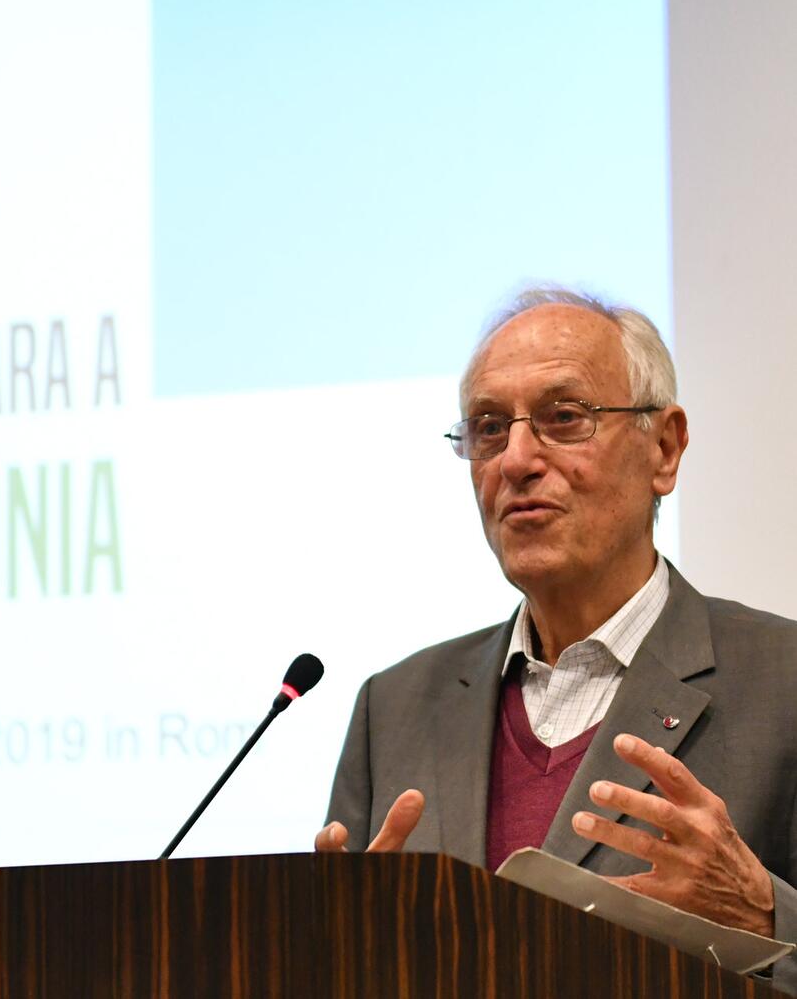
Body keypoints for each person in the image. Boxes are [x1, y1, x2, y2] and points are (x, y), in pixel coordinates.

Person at [317, 287, 797, 991]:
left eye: (563, 418)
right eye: (486, 427)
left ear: (664, 449)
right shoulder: (392, 709)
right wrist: (323, 942)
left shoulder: (782, 683)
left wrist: (768, 917)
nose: (515, 460)